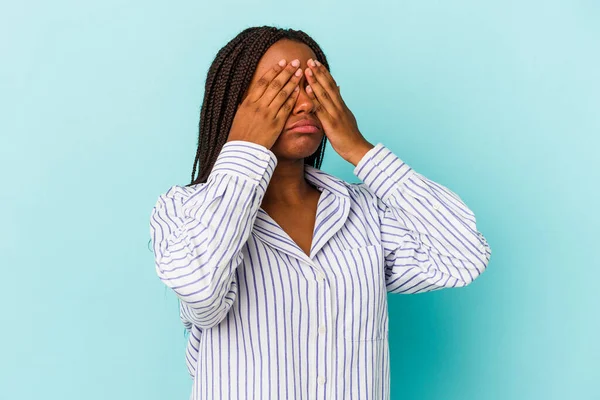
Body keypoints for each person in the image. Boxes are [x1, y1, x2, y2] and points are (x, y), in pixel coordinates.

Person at [149, 25, 492, 400]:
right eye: (279, 86)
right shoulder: (183, 209)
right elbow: (200, 291)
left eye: (315, 86)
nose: (305, 103)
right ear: (236, 104)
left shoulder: (365, 213)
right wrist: (246, 149)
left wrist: (361, 150)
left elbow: (464, 257)